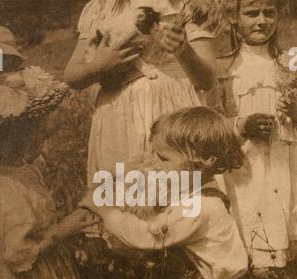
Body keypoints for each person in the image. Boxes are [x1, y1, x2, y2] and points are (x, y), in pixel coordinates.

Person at [79, 107, 259, 279]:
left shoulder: (201, 206)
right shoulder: (195, 196)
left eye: (163, 158)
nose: (156, 163)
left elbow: (147, 237)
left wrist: (105, 211)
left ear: (204, 160)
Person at [0, 41, 99, 279]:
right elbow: (18, 253)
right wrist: (65, 228)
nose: (42, 136)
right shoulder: (2, 185)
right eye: (34, 129)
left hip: (51, 278)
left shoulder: (25, 171)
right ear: (10, 134)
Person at [64, 0, 217, 184]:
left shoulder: (189, 5)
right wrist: (98, 66)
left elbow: (207, 81)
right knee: (125, 193)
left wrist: (183, 50)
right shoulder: (102, 7)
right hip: (119, 114)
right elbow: (72, 76)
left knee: (178, 192)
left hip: (174, 113)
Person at [208, 0, 297, 279]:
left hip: (285, 159)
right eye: (251, 13)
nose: (261, 21)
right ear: (234, 18)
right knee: (247, 216)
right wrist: (243, 125)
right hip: (244, 164)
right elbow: (211, 121)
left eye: (269, 13)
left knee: (284, 206)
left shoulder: (289, 64)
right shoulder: (225, 68)